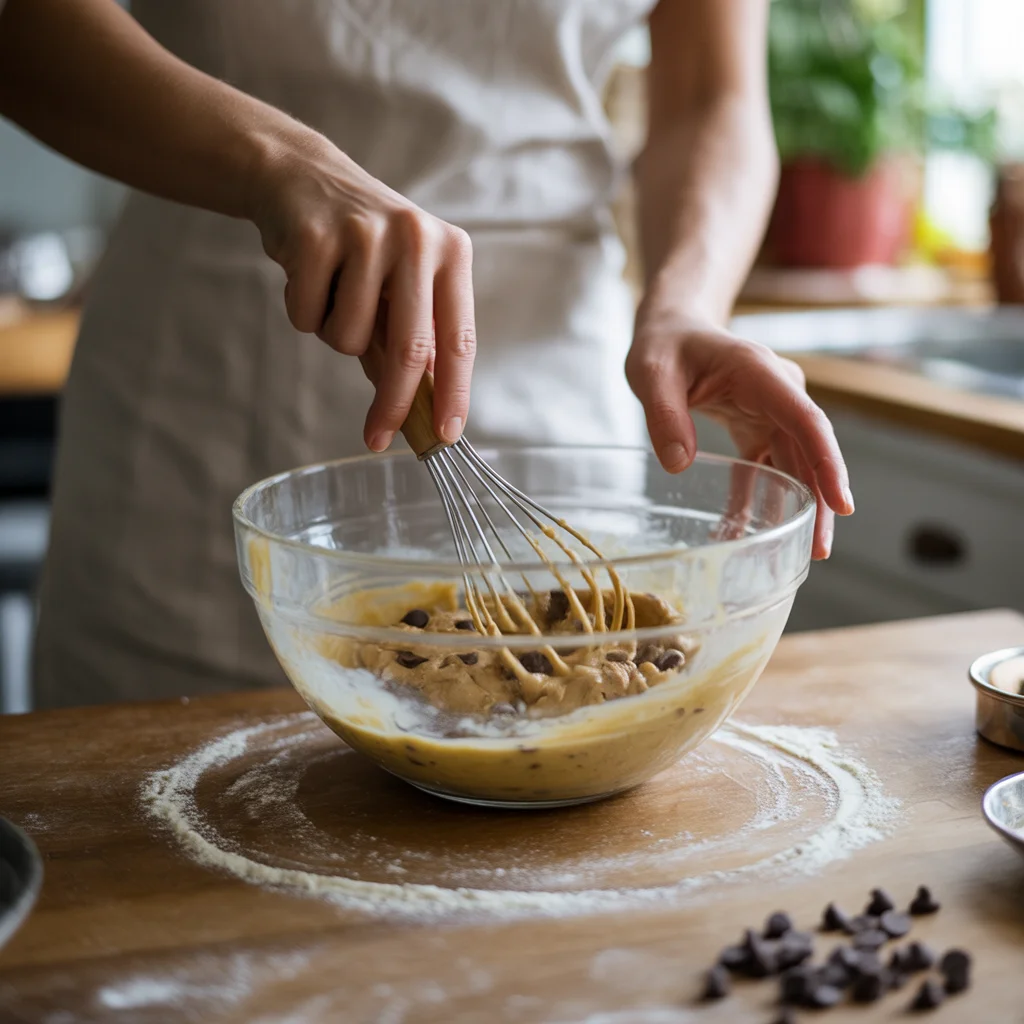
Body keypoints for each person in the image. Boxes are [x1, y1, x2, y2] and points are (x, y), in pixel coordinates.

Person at [0, 0, 853, 708]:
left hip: (553, 376)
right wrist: (278, 163)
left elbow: (712, 95)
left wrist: (685, 302)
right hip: (206, 384)